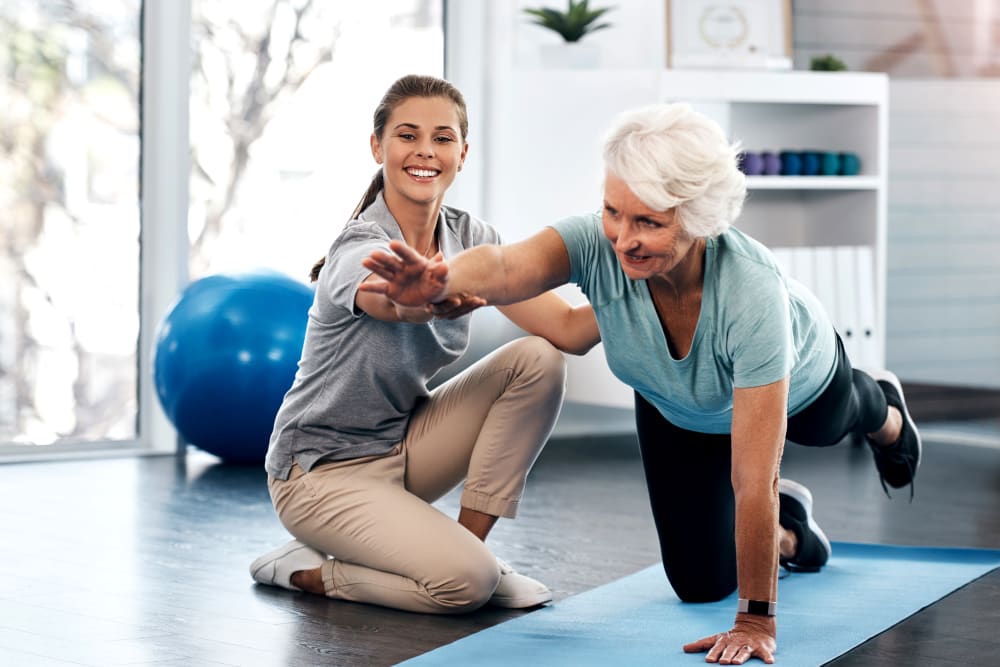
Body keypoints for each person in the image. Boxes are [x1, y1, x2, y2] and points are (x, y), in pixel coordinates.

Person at [360, 102, 921, 663]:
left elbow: (754, 478)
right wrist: (439, 281)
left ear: (700, 218)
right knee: (699, 584)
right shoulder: (597, 245)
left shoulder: (752, 296)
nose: (622, 238)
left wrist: (755, 620)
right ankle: (790, 533)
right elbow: (508, 268)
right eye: (613, 212)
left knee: (833, 422)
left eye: (649, 222)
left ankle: (886, 409)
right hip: (677, 405)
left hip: (803, 384)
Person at [248, 74, 600, 614]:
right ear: (377, 147)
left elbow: (570, 332)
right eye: (407, 135)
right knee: (463, 587)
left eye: (442, 138)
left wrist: (649, 281)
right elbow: (391, 302)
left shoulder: (473, 239)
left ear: (462, 152)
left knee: (538, 359)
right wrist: (421, 299)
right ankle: (309, 572)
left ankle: (468, 549)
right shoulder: (359, 244)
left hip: (403, 447)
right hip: (318, 473)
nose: (425, 152)